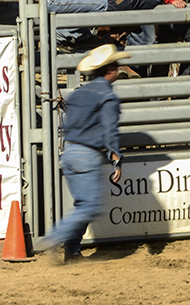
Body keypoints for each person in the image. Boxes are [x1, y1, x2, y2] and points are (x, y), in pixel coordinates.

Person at [34, 44, 127, 263]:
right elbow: (109, 130)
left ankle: (73, 252)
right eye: (116, 66)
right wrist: (116, 158)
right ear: (110, 70)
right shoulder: (108, 98)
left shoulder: (78, 94)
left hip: (69, 152)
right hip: (87, 155)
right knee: (90, 206)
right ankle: (54, 237)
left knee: (82, 204)